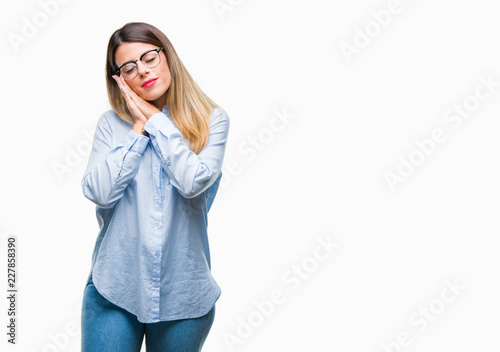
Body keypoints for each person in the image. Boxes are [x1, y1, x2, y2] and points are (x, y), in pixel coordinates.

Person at [80, 22, 230, 352]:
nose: (143, 71)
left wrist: (156, 123)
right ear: (119, 80)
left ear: (166, 55)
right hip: (115, 289)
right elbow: (98, 192)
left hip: (184, 297)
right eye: (129, 67)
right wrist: (137, 130)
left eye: (149, 57)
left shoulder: (212, 120)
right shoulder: (110, 124)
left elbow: (193, 182)